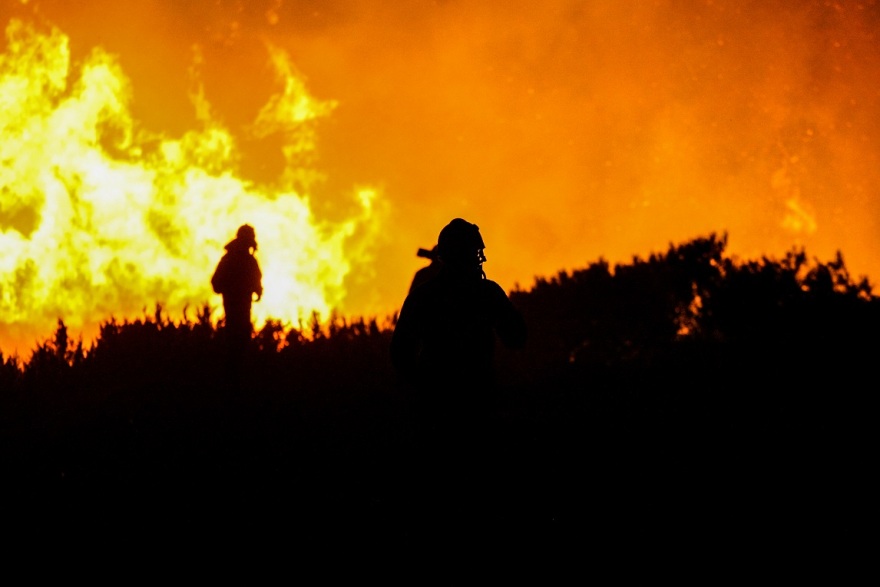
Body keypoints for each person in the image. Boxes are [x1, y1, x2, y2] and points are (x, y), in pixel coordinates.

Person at [390, 218, 527, 423]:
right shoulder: (487, 292)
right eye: (475, 253)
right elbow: (516, 338)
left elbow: (400, 353)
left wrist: (425, 385)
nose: (480, 259)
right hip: (477, 403)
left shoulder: (423, 296)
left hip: (435, 407)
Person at [211, 224, 263, 361]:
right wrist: (256, 290)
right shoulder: (243, 260)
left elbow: (216, 282)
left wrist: (257, 289)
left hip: (237, 303)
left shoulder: (232, 258)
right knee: (238, 333)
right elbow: (216, 281)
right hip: (236, 303)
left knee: (238, 332)